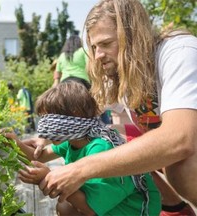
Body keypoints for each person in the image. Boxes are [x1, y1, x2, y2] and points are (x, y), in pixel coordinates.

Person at [25, 0, 197, 213]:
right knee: (127, 148)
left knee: (183, 168)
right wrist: (48, 133)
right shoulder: (120, 73)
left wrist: (80, 169)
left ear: (134, 38)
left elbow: (179, 139)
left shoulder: (178, 52)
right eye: (94, 47)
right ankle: (176, 209)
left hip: (189, 152)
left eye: (106, 44)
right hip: (179, 152)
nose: (97, 55)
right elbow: (80, 113)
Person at [3, 81, 161, 216]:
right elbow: (39, 156)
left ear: (74, 115)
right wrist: (15, 143)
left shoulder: (101, 148)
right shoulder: (75, 140)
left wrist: (46, 178)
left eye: (51, 120)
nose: (44, 128)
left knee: (66, 207)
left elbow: (89, 208)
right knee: (65, 207)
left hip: (132, 211)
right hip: (104, 203)